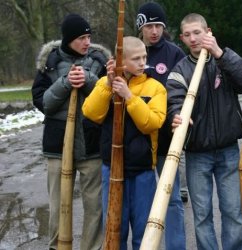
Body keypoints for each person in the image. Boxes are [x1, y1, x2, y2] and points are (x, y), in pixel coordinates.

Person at [167, 13, 242, 250]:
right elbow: (173, 102)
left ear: (209, 31)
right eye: (187, 35)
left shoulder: (223, 58)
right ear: (182, 38)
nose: (193, 38)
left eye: (197, 32)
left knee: (233, 212)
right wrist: (176, 116)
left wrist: (220, 53)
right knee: (202, 215)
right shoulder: (179, 70)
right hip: (198, 153)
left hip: (228, 150)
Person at [31, 14, 110, 250]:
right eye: (81, 38)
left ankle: (91, 247)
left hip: (92, 145)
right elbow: (42, 102)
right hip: (57, 147)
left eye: (88, 37)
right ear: (68, 39)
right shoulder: (49, 63)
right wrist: (65, 83)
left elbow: (108, 99)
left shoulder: (99, 61)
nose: (86, 42)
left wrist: (89, 80)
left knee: (94, 207)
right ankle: (58, 246)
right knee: (57, 206)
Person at [82, 36, 167, 250]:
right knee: (114, 233)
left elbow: (152, 123)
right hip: (111, 170)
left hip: (143, 171)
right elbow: (91, 113)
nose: (142, 62)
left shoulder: (155, 87)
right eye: (136, 58)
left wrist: (129, 97)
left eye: (144, 57)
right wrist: (109, 86)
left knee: (144, 234)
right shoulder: (105, 83)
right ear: (120, 61)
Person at [136, 2, 187, 249]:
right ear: (140, 27)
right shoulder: (131, 51)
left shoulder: (174, 53)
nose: (154, 31)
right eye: (149, 26)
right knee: (144, 201)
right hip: (138, 140)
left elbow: (182, 92)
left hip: (167, 138)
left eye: (158, 25)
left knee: (173, 198)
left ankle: (176, 246)